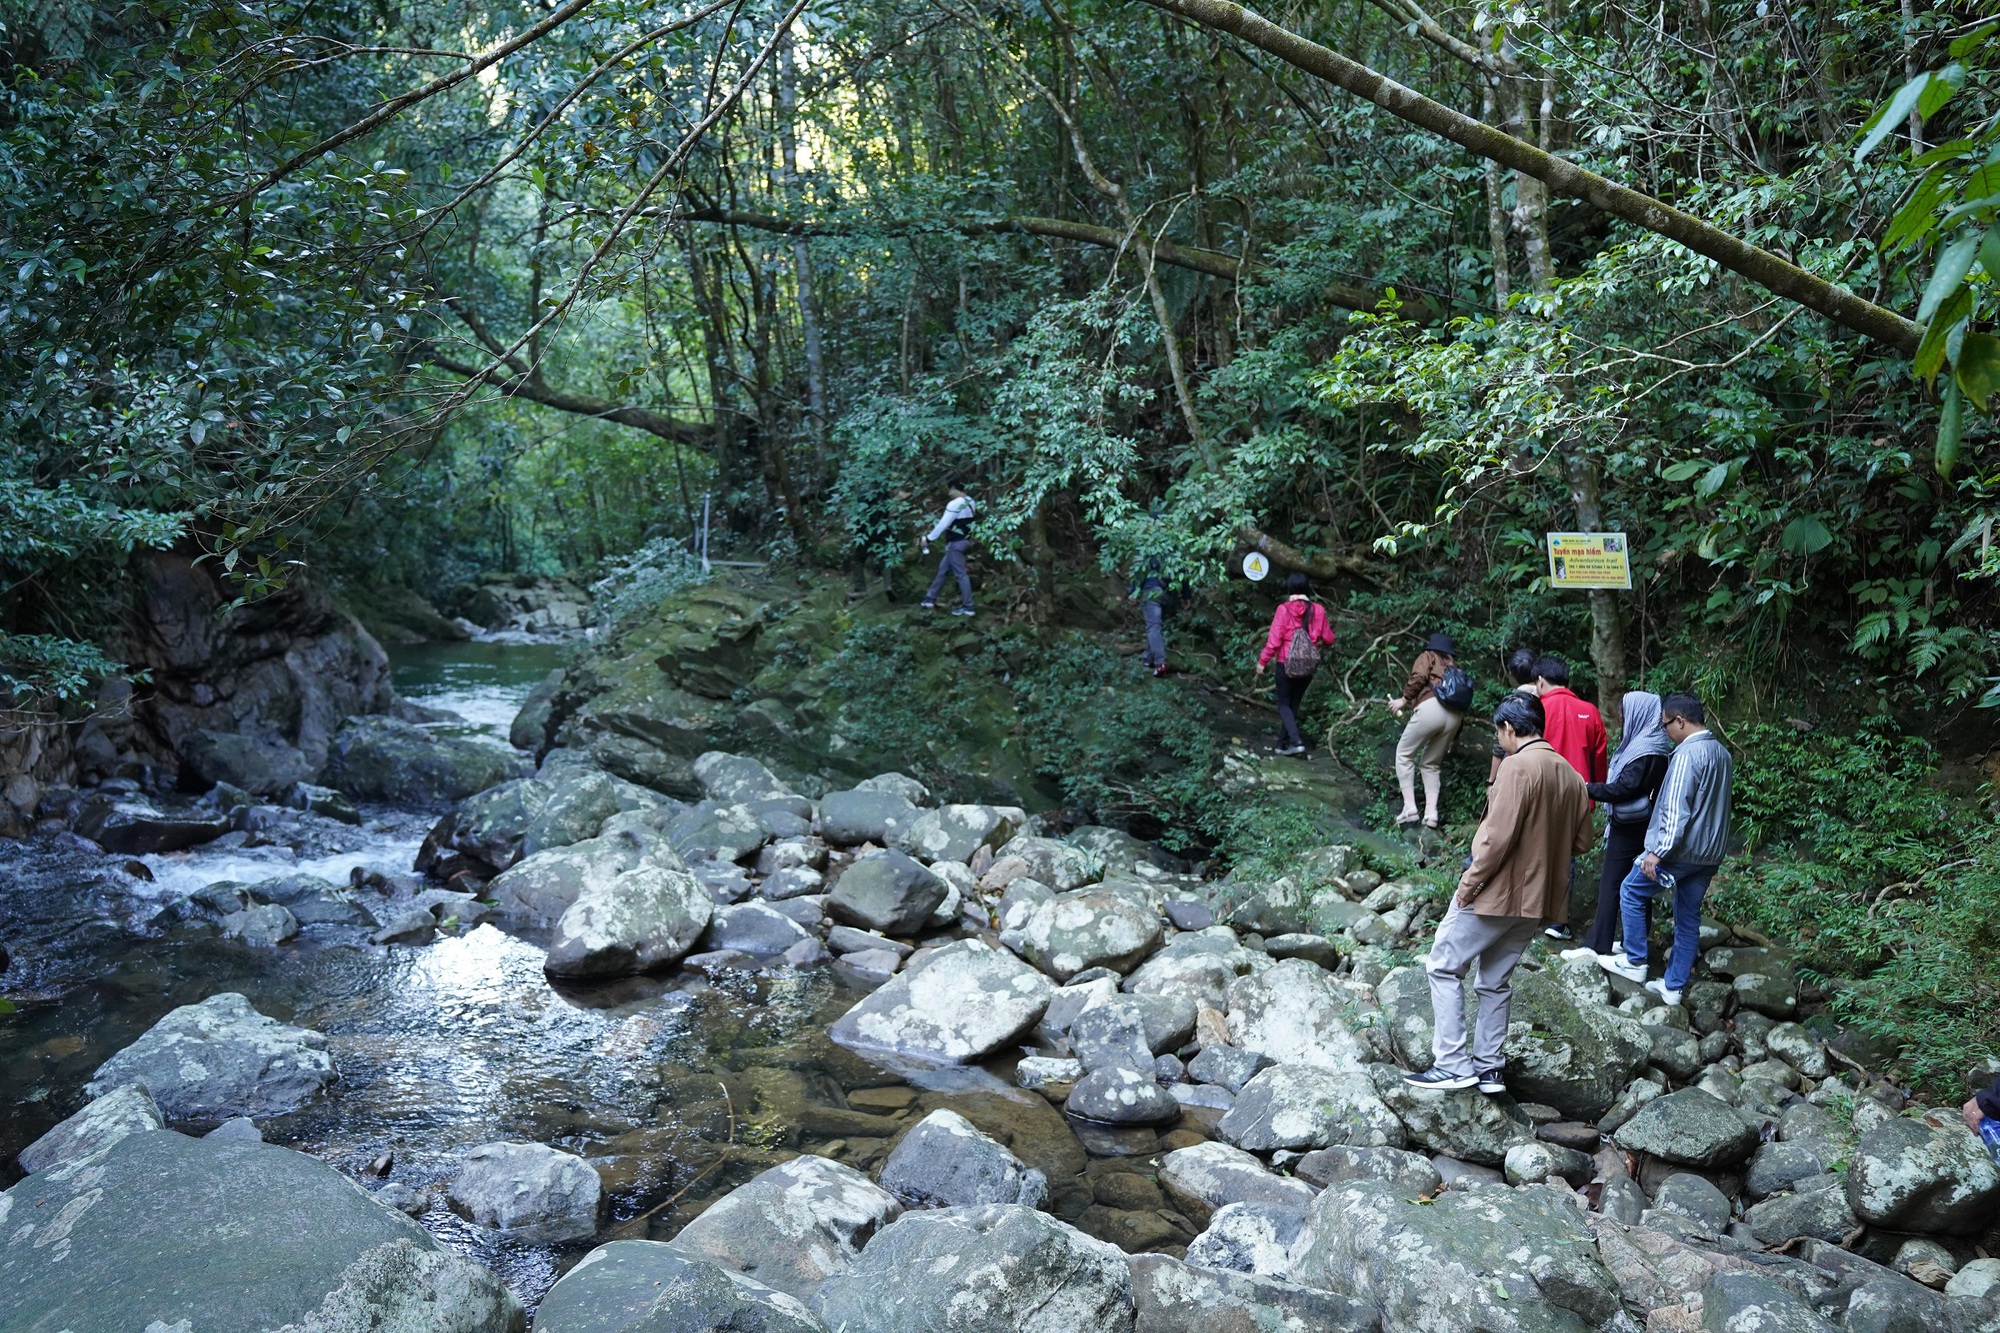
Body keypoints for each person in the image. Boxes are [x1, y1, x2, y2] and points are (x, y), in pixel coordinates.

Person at [1406, 693, 1594, 1093]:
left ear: (1509, 728)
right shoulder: (1571, 775)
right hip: (1537, 901)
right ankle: (1488, 1067)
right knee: (1494, 981)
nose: (1501, 740)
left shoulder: (1516, 767)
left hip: (1497, 892)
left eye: (1499, 733)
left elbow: (1495, 839)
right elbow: (1582, 842)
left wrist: (1467, 886)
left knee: (1442, 965)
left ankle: (1453, 1064)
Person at [1599, 693, 1733, 1007]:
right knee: (1688, 918)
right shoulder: (1721, 753)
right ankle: (1673, 988)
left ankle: (1634, 961)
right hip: (1709, 853)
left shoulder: (1687, 755)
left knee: (1631, 890)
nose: (1665, 732)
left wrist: (1657, 851)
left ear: (1680, 721)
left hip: (1680, 851)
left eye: (1666, 725)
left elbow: (1677, 808)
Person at [1559, 691, 1673, 962]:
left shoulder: (1645, 749)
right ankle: (1634, 943)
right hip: (1645, 824)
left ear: (1639, 712)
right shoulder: (1656, 744)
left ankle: (1597, 946)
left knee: (1612, 882)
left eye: (1625, 709)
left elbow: (1626, 787)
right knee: (1638, 884)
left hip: (1630, 827)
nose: (1621, 715)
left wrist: (1587, 788)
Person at [1533, 655, 1608, 943]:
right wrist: (1597, 791)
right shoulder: (1589, 711)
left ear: (1540, 681)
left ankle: (1528, 913)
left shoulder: (1537, 708)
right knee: (1565, 858)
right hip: (1578, 795)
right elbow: (1599, 757)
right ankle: (1558, 921)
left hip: (1539, 792)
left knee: (1534, 851)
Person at [1255, 573, 1336, 757]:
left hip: (1285, 663)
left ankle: (1296, 742)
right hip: (1308, 666)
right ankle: (1281, 746)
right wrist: (1318, 644)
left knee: (1284, 704)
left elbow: (1274, 642)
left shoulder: (1284, 609)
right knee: (1293, 705)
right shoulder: (1318, 610)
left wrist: (1262, 662)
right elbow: (1329, 638)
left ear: (1290, 589)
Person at [1388, 632, 1463, 828]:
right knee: (1431, 764)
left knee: (1404, 755)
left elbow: (1420, 676)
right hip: (1454, 717)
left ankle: (1410, 808)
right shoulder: (1455, 667)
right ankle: (1431, 814)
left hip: (1431, 708)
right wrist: (1455, 739)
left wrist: (1403, 700)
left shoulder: (1428, 656)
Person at [919, 481, 977, 616]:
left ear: (953, 488)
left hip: (955, 544)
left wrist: (928, 539)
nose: (949, 494)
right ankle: (930, 598)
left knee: (961, 575)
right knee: (943, 570)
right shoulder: (970, 501)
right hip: (966, 541)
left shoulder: (955, 504)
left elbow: (943, 524)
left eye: (949, 490)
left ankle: (969, 606)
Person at [1489, 648, 1540, 784]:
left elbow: (1499, 746)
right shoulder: (1548, 697)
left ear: (1512, 674)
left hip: (1516, 768)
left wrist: (1491, 780)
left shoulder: (1512, 703)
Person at [1131, 555, 1170, 676]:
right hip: (1167, 593)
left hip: (1151, 591)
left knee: (1153, 627)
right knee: (1155, 627)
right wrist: (1186, 595)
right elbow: (1182, 570)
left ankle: (1160, 663)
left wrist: (1133, 592)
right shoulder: (1171, 549)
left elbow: (1137, 572)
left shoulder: (1145, 550)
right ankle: (1147, 659)